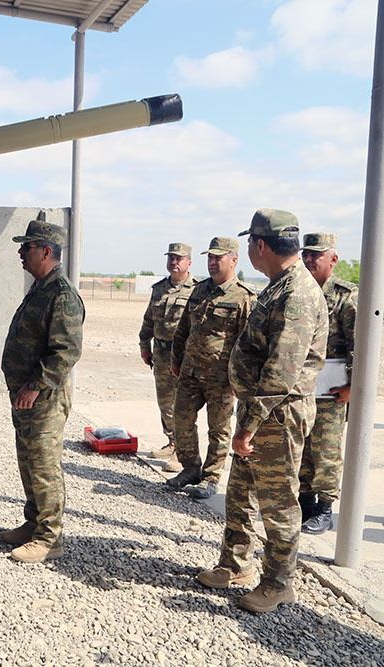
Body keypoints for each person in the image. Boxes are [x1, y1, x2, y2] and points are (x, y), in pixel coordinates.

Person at [197, 209, 327, 614]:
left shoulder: (297, 295)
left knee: (277, 502)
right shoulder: (278, 285)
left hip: (276, 415)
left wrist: (248, 427)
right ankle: (234, 565)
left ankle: (277, 583)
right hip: (259, 413)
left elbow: (280, 372)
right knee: (240, 494)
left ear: (260, 245)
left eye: (251, 243)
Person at [0, 212, 84, 563]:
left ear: (46, 252)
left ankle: (50, 538)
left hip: (44, 397)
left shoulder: (62, 296)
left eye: (28, 247)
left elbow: (66, 351)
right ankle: (33, 523)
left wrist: (35, 385)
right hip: (27, 394)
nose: (22, 253)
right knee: (28, 461)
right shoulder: (41, 289)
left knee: (44, 465)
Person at [167, 237, 256, 499]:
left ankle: (211, 476)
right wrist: (176, 358)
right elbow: (184, 328)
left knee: (218, 428)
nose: (213, 263)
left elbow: (247, 343)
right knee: (181, 419)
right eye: (210, 258)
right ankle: (190, 468)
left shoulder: (243, 297)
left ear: (234, 260)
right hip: (190, 371)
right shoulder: (199, 290)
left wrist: (239, 379)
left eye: (218, 258)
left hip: (222, 378)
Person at [299, 232, 357, 534]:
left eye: (315, 255)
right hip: (304, 383)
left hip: (334, 385)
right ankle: (305, 502)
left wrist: (353, 386)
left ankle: (324, 508)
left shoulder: (347, 297)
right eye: (306, 254)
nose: (308, 259)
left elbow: (360, 345)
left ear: (332, 259)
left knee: (326, 449)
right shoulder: (300, 292)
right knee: (304, 444)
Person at [139, 242, 196, 472]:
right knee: (165, 402)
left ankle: (183, 453)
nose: (174, 262)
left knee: (182, 404)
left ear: (189, 263)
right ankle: (172, 442)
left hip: (182, 354)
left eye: (179, 258)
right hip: (161, 353)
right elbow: (148, 320)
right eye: (171, 258)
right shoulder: (159, 289)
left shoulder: (197, 290)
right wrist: (145, 344)